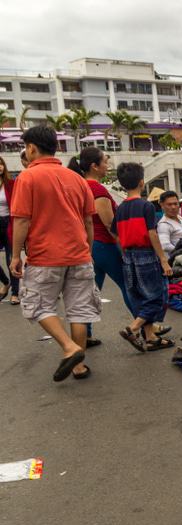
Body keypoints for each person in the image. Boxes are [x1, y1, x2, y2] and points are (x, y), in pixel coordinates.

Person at [8, 125, 99, 381]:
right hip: (79, 254)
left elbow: (22, 220)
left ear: (32, 148)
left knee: (38, 306)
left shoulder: (28, 177)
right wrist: (87, 250)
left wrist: (16, 255)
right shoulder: (76, 178)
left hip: (45, 256)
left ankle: (69, 349)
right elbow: (89, 222)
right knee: (79, 310)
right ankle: (79, 366)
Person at [67, 147, 132, 345]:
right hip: (105, 244)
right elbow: (109, 223)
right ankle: (146, 327)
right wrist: (124, 247)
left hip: (89, 245)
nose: (107, 165)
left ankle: (85, 335)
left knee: (89, 292)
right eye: (105, 161)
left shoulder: (79, 185)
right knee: (128, 286)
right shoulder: (97, 189)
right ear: (94, 166)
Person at [113, 162, 174, 353]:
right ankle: (133, 328)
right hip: (146, 254)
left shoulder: (121, 208)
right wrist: (163, 259)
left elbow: (114, 232)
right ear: (142, 182)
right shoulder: (146, 206)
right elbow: (152, 234)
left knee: (140, 296)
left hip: (128, 256)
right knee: (156, 296)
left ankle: (150, 338)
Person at [0, 156, 17, 302]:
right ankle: (6, 283)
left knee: (11, 259)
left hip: (10, 223)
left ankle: (15, 293)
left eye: (1, 164)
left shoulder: (11, 184)